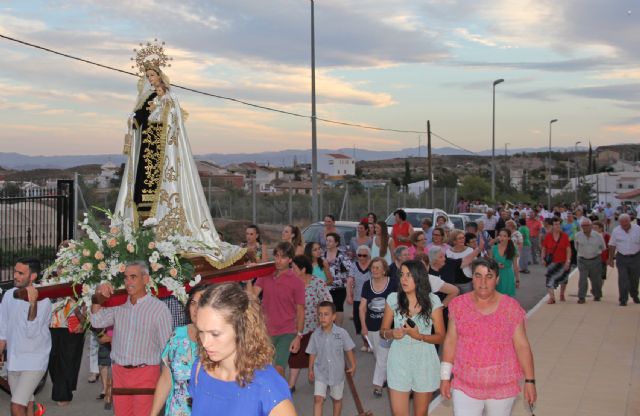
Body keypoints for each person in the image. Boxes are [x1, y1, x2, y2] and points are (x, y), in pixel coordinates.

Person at [113, 44, 244, 268]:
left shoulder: (171, 98)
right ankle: (142, 234)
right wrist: (135, 119)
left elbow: (174, 122)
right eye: (148, 76)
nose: (151, 79)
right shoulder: (145, 98)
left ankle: (165, 235)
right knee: (140, 193)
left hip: (164, 152)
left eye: (153, 75)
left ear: (161, 75)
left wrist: (162, 107)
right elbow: (138, 118)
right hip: (147, 150)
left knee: (162, 192)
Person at [440, 258, 536, 415]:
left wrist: (530, 381)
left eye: (489, 276)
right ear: (472, 278)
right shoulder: (458, 305)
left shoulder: (511, 307)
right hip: (465, 383)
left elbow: (522, 346)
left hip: (502, 385)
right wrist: (445, 377)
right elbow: (451, 341)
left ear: (497, 279)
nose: (482, 282)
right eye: (478, 275)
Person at [189, 283, 296, 416]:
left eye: (215, 334)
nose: (205, 343)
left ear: (242, 329)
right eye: (201, 331)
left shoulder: (267, 386)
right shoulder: (200, 369)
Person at [90, 261, 173, 416]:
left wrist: (167, 383)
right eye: (126, 278)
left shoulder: (159, 310)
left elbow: (167, 350)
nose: (128, 282)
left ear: (146, 279)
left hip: (147, 374)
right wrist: (97, 298)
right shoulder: (119, 307)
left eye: (133, 277)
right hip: (120, 374)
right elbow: (96, 320)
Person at [381, 260, 445, 416]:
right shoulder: (392, 299)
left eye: (409, 275)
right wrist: (391, 334)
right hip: (398, 360)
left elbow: (441, 337)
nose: (404, 279)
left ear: (419, 277)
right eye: (402, 275)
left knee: (421, 413)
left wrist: (420, 336)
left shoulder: (433, 301)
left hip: (424, 361)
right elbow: (382, 331)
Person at [0, 258, 52, 416]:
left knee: (16, 406)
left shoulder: (44, 300)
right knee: (27, 401)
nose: (15, 276)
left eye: (20, 273)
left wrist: (33, 304)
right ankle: (36, 411)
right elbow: (3, 328)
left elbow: (32, 331)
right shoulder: (9, 295)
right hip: (14, 359)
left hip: (35, 359)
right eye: (15, 271)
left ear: (33, 276)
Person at [150, 284, 209, 416]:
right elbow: (166, 378)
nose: (195, 308)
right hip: (176, 411)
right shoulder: (178, 336)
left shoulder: (220, 342)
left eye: (202, 302)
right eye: (193, 302)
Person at [250, 242, 305, 378]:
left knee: (279, 370)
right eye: (276, 256)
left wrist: (298, 336)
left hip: (286, 332)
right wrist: (248, 280)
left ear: (290, 259)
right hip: (266, 330)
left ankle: (282, 398)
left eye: (283, 257)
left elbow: (300, 310)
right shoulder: (266, 275)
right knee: (261, 369)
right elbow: (251, 297)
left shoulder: (297, 282)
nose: (278, 260)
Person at [287, 255, 332, 392]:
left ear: (303, 269)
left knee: (321, 357)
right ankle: (291, 385)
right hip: (297, 328)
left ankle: (327, 381)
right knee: (295, 357)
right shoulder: (290, 284)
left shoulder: (317, 283)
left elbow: (327, 302)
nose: (291, 270)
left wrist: (324, 321)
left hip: (315, 327)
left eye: (294, 268)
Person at [307, 301, 356, 416]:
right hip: (320, 372)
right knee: (318, 399)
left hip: (337, 373)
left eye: (326, 314)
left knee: (337, 399)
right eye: (320, 314)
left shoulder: (341, 333)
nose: (322, 317)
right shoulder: (315, 335)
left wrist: (353, 365)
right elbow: (312, 353)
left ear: (334, 316)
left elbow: (348, 349)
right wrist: (310, 369)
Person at [359, 257, 398, 397]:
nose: (374, 270)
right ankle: (386, 378)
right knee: (378, 355)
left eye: (377, 267)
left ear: (384, 270)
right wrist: (363, 327)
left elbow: (399, 304)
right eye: (373, 267)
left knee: (381, 356)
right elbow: (362, 308)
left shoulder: (393, 283)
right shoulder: (366, 285)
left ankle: (377, 385)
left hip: (388, 328)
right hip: (371, 326)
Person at [607, 213, 640, 306]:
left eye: (626, 222)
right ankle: (623, 299)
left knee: (635, 279)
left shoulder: (638, 229)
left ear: (630, 221)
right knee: (623, 279)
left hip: (636, 257)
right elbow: (612, 245)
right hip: (621, 258)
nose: (624, 224)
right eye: (622, 222)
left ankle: (634, 295)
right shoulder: (616, 231)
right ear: (619, 222)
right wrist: (610, 258)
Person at [346, 245, 372, 352]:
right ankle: (365, 342)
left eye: (364, 255)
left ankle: (369, 343)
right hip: (357, 297)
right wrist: (349, 295)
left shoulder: (372, 265)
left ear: (368, 256)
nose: (361, 257)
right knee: (359, 321)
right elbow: (349, 281)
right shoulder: (354, 265)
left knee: (369, 321)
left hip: (370, 299)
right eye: (359, 255)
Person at [323, 233, 353, 326]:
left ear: (336, 243)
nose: (328, 242)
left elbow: (350, 269)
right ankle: (328, 326)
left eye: (330, 241)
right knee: (328, 307)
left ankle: (338, 328)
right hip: (326, 285)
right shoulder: (322, 254)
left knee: (338, 306)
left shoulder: (342, 255)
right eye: (327, 240)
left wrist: (350, 286)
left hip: (340, 285)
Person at [574, 218, 606, 304]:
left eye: (587, 225)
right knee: (582, 279)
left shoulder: (598, 235)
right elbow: (576, 248)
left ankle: (597, 295)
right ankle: (581, 297)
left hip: (595, 260)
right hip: (582, 260)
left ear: (591, 226)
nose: (585, 227)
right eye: (583, 226)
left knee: (596, 279)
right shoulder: (577, 235)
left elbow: (603, 248)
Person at [541, 218, 572, 304]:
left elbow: (568, 249)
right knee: (549, 279)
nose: (558, 226)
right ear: (552, 226)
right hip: (552, 262)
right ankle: (552, 297)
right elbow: (544, 248)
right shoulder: (548, 236)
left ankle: (562, 294)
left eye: (559, 224)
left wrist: (568, 261)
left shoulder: (564, 236)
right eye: (556, 224)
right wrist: (542, 258)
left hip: (563, 261)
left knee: (564, 279)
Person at [445, 229, 481, 294]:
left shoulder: (470, 250)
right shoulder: (448, 252)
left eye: (463, 237)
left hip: (467, 282)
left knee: (467, 301)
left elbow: (475, 266)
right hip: (453, 282)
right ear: (454, 241)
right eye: (460, 238)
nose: (463, 240)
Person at [490, 229, 519, 297]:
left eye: (504, 236)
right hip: (496, 275)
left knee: (507, 299)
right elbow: (490, 263)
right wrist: (496, 265)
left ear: (509, 238)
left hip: (508, 276)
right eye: (500, 235)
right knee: (496, 298)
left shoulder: (513, 249)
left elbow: (515, 266)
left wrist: (517, 280)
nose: (501, 238)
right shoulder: (494, 248)